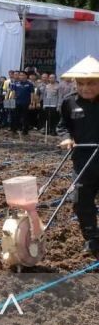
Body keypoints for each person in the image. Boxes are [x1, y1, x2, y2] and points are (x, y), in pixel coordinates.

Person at [56, 55, 99, 256]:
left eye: (91, 83)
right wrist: (66, 138)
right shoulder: (70, 102)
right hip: (83, 161)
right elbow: (63, 126)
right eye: (81, 83)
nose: (85, 88)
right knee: (80, 200)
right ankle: (92, 237)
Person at [10, 70, 35, 135]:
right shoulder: (16, 83)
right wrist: (12, 101)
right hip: (17, 103)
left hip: (26, 103)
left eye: (22, 75)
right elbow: (13, 93)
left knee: (25, 117)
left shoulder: (30, 84)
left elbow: (32, 94)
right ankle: (14, 129)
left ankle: (25, 131)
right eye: (20, 75)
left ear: (26, 76)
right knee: (16, 117)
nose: (21, 76)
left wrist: (31, 103)